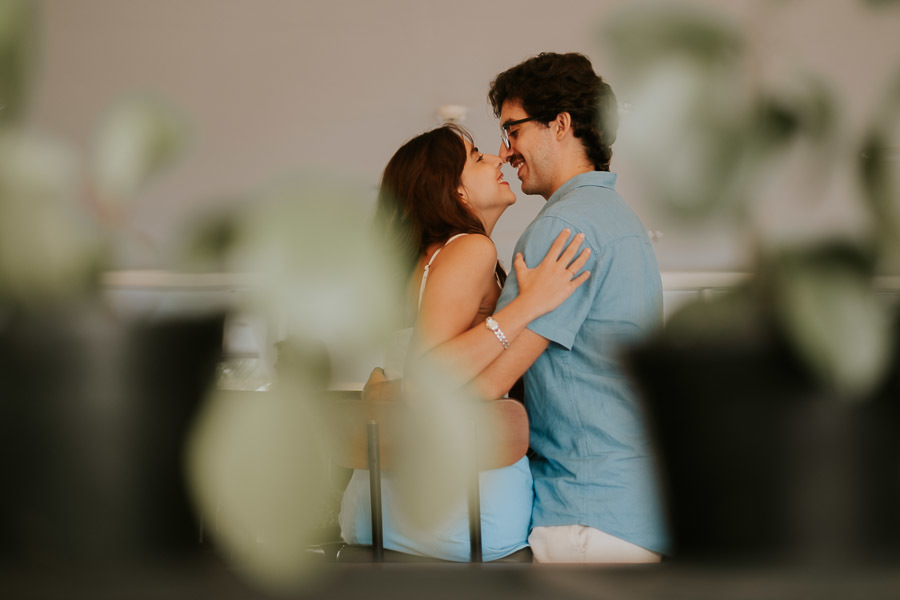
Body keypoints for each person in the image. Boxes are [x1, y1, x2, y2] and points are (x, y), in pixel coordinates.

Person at [339, 124, 591, 561]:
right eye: (476, 157)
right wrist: (529, 305)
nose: (497, 159)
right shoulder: (471, 249)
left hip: (376, 509)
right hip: (464, 515)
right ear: (454, 191)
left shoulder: (418, 262)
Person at [483, 52, 670, 563]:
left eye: (513, 130)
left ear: (560, 124)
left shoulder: (560, 229)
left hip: (584, 518)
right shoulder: (620, 221)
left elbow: (490, 380)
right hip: (636, 510)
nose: (505, 151)